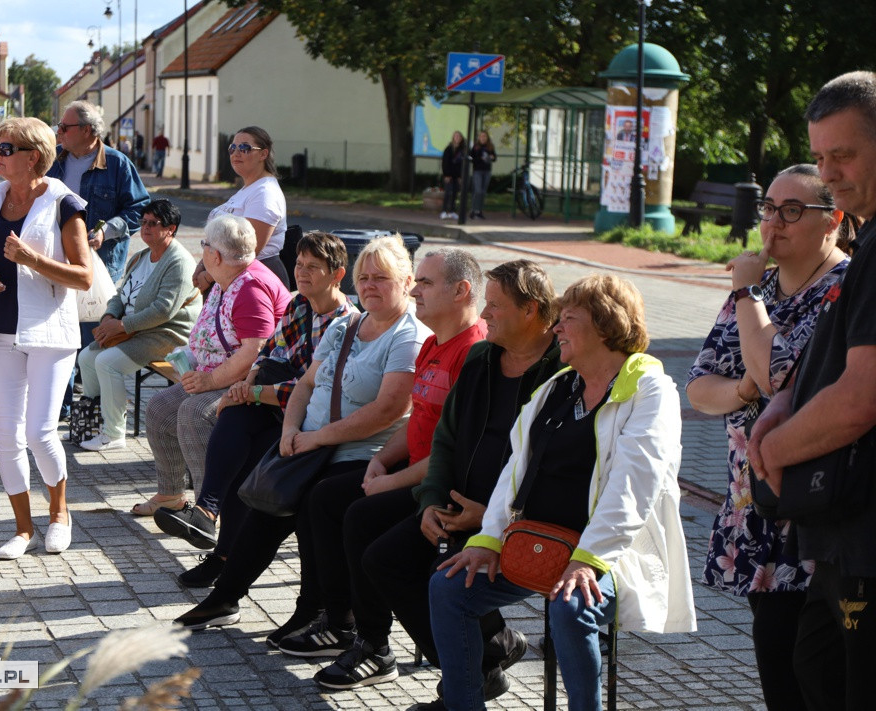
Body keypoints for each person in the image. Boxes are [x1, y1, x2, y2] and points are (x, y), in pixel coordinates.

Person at [430, 274, 696, 711]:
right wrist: (489, 538)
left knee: (571, 607)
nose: (556, 329)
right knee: (449, 586)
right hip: (537, 541)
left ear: (607, 326)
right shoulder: (558, 386)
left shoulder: (649, 390)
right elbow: (513, 472)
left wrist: (586, 560)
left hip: (609, 553)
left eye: (568, 319)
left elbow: (634, 485)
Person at [304, 261, 562, 699]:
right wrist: (430, 500)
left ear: (531, 311)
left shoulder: (558, 373)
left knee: (430, 570)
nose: (485, 315)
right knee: (372, 543)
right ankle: (471, 665)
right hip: (456, 502)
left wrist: (497, 516)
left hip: (512, 518)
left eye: (495, 306)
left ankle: (470, 665)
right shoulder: (485, 358)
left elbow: (556, 468)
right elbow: (445, 440)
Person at [173, 235, 430, 630]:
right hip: (311, 442)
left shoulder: (408, 336)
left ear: (407, 281)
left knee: (307, 500)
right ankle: (227, 594)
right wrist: (291, 429)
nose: (370, 286)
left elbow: (388, 411)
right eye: (365, 278)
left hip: (356, 452)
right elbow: (307, 385)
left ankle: (312, 610)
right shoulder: (349, 325)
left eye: (382, 278)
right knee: (264, 488)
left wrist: (314, 437)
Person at [275, 249, 488, 688]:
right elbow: (415, 426)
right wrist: (381, 460)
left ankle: (472, 656)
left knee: (368, 534)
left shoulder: (474, 355)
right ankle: (343, 625)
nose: (415, 291)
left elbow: (451, 451)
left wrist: (391, 478)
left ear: (461, 290)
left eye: (424, 283)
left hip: (447, 486)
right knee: (323, 500)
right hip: (415, 471)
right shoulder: (434, 342)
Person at [687, 164, 850, 711]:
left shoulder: (842, 287)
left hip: (812, 504)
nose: (773, 224)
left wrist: (747, 293)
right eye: (769, 209)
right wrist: (744, 389)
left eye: (792, 211)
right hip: (753, 501)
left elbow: (777, 369)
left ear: (834, 221)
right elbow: (700, 388)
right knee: (777, 662)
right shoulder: (757, 289)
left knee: (809, 668)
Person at [749, 71, 876, 711]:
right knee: (811, 670)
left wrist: (772, 449)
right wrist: (781, 403)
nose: (830, 174)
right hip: (839, 534)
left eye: (843, 155)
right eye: (820, 157)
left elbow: (860, 397)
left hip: (864, 536)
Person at [155, 231, 357, 588]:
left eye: (314, 267)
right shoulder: (299, 305)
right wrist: (244, 385)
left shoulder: (346, 323)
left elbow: (319, 392)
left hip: (311, 422)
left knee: (242, 444)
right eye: (298, 263)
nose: (302, 272)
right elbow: (270, 353)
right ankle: (210, 524)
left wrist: (254, 392)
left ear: (338, 274)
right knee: (234, 421)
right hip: (275, 406)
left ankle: (214, 531)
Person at [0, 117, 92, 559]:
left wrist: (32, 258)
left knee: (40, 432)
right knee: (6, 435)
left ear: (34, 157)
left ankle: (59, 511)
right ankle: (23, 528)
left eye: (7, 149)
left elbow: (84, 276)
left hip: (49, 331)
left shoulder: (65, 204)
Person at [135, 214, 290, 515]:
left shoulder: (251, 288)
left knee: (194, 412)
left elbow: (255, 351)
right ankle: (170, 494)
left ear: (215, 256)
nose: (203, 251)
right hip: (218, 374)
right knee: (159, 407)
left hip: (252, 383)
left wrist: (208, 381)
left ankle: (210, 507)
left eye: (204, 245)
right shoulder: (226, 277)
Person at [47, 100, 150, 418]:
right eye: (60, 126)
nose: (59, 132)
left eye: (66, 127)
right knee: (59, 334)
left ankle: (92, 405)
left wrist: (108, 230)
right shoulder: (56, 162)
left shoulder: (118, 164)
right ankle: (61, 407)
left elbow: (138, 209)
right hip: (59, 261)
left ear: (88, 131)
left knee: (92, 335)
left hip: (100, 265)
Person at [76, 198, 201, 451]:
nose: (146, 228)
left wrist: (121, 326)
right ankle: (96, 420)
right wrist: (109, 317)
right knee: (86, 358)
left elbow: (163, 311)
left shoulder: (179, 262)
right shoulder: (142, 256)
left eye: (154, 223)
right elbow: (120, 295)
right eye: (144, 222)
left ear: (171, 229)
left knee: (106, 363)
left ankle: (114, 434)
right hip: (132, 330)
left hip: (166, 334)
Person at [196, 126, 290, 289]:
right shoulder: (249, 189)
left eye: (245, 148)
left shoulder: (265, 193)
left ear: (263, 154)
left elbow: (248, 249)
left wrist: (208, 276)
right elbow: (220, 239)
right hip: (230, 277)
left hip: (254, 281)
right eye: (232, 148)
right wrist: (203, 265)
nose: (236, 153)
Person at [469, 130, 496, 220]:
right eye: (481, 136)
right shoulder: (476, 147)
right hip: (477, 171)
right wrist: (480, 158)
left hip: (487, 171)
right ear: (479, 137)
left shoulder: (490, 146)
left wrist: (491, 157)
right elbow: (471, 158)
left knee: (483, 192)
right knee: (478, 191)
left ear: (487, 137)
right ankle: (474, 210)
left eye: (484, 136)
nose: (483, 138)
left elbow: (494, 157)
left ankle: (479, 211)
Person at [440, 131, 465, 220]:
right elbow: (445, 162)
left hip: (457, 176)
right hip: (449, 176)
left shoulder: (462, 150)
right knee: (448, 193)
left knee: (455, 193)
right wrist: (446, 174)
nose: (457, 138)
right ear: (453, 138)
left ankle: (452, 211)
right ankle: (443, 211)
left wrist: (460, 176)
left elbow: (462, 165)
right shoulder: (448, 149)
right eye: (456, 136)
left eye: (459, 136)